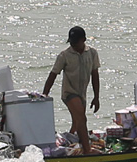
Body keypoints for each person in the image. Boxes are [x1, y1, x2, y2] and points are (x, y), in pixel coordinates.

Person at [42, 26, 101, 154]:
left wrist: (96, 97)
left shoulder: (92, 53)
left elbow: (95, 75)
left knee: (77, 122)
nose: (73, 45)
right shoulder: (64, 55)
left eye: (76, 42)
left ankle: (72, 143)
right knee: (82, 119)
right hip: (69, 93)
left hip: (82, 94)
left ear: (84, 40)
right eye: (72, 42)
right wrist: (45, 94)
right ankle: (87, 150)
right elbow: (53, 74)